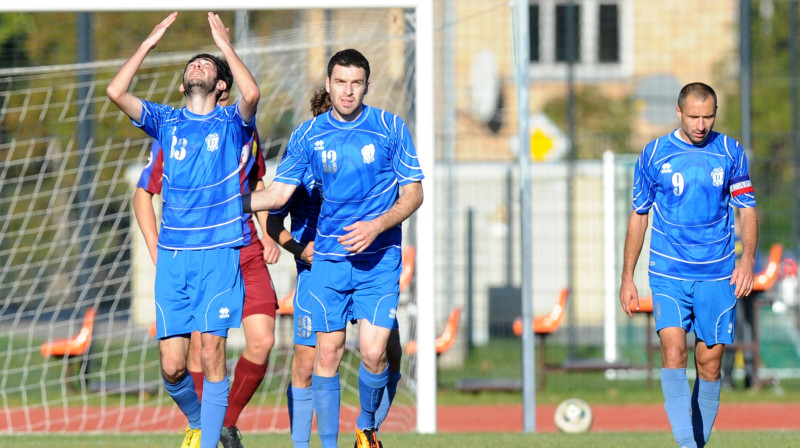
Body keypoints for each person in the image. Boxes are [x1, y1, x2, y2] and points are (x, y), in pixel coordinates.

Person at [243, 49, 424, 448]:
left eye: (355, 82)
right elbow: (277, 198)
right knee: (325, 355)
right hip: (327, 261)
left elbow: (414, 193)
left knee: (376, 353)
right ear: (328, 84)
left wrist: (377, 225)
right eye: (340, 82)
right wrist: (223, 201)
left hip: (378, 261)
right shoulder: (308, 135)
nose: (347, 90)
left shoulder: (391, 127)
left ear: (366, 86)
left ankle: (366, 428)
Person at [106, 12, 260, 448]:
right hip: (174, 259)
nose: (198, 65)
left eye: (207, 65)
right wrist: (148, 44)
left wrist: (225, 45)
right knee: (173, 367)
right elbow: (116, 91)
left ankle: (209, 441)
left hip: (218, 254)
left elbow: (253, 92)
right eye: (192, 63)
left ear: (220, 86)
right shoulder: (166, 121)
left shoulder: (232, 124)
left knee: (211, 352)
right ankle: (203, 423)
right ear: (181, 84)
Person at [132, 59, 280, 448]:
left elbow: (258, 182)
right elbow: (142, 194)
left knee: (262, 340)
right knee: (200, 348)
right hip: (200, 249)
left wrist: (268, 233)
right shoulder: (177, 134)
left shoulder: (241, 128)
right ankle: (205, 429)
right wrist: (156, 249)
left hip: (245, 246)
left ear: (224, 89)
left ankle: (221, 425)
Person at [619, 82, 758, 448]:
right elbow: (639, 216)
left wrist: (747, 262)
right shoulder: (654, 154)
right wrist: (627, 278)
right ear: (679, 113)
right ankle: (687, 445)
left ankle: (696, 441)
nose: (701, 124)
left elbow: (746, 210)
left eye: (708, 116)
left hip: (717, 273)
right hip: (668, 273)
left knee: (710, 364)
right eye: (694, 116)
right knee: (674, 350)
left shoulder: (730, 152)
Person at [268, 88, 404, 448]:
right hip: (318, 272)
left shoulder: (368, 161)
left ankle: (369, 428)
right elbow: (273, 220)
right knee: (308, 359)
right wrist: (298, 248)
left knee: (386, 350)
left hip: (368, 263)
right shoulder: (301, 165)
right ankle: (303, 444)